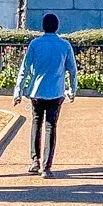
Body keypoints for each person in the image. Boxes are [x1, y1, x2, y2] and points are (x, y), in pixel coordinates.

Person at [11, 13, 78, 176]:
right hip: (56, 92)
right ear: (57, 26)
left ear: (43, 26)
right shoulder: (64, 45)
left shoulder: (35, 44)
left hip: (36, 92)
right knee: (50, 127)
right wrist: (72, 89)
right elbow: (72, 70)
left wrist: (18, 91)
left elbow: (24, 69)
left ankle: (34, 161)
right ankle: (47, 167)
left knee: (36, 124)